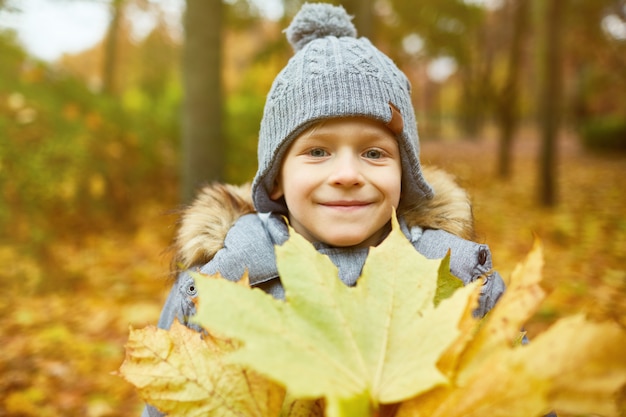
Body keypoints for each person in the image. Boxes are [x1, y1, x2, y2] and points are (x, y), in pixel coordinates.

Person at [142, 3, 506, 416]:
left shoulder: (460, 276)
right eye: (318, 151)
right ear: (276, 177)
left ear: (404, 176)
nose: (347, 174)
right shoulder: (216, 284)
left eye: (373, 152)